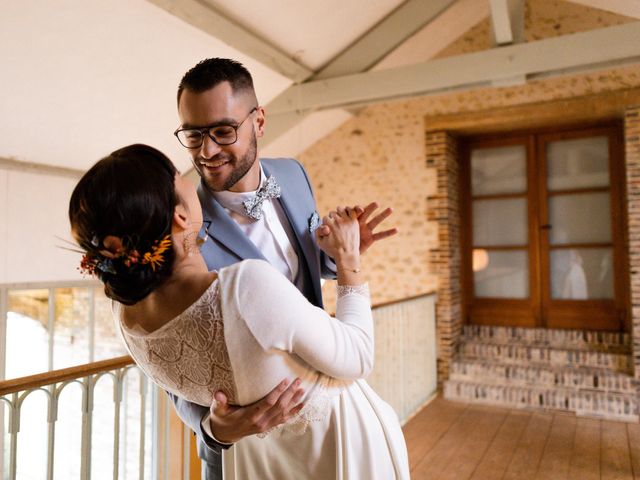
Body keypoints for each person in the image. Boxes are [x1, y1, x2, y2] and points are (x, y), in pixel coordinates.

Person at [68, 144, 410, 479]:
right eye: (178, 177)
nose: (206, 152)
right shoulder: (246, 286)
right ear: (180, 216)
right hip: (343, 450)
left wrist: (332, 258)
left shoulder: (125, 315)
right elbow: (360, 355)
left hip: (258, 469)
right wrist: (350, 259)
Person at [171, 57, 398, 478]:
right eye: (193, 135)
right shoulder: (180, 229)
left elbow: (300, 282)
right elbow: (171, 352)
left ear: (259, 121)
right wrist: (212, 429)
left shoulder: (293, 174)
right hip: (252, 449)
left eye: (223, 131)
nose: (207, 151)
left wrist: (338, 254)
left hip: (328, 422)